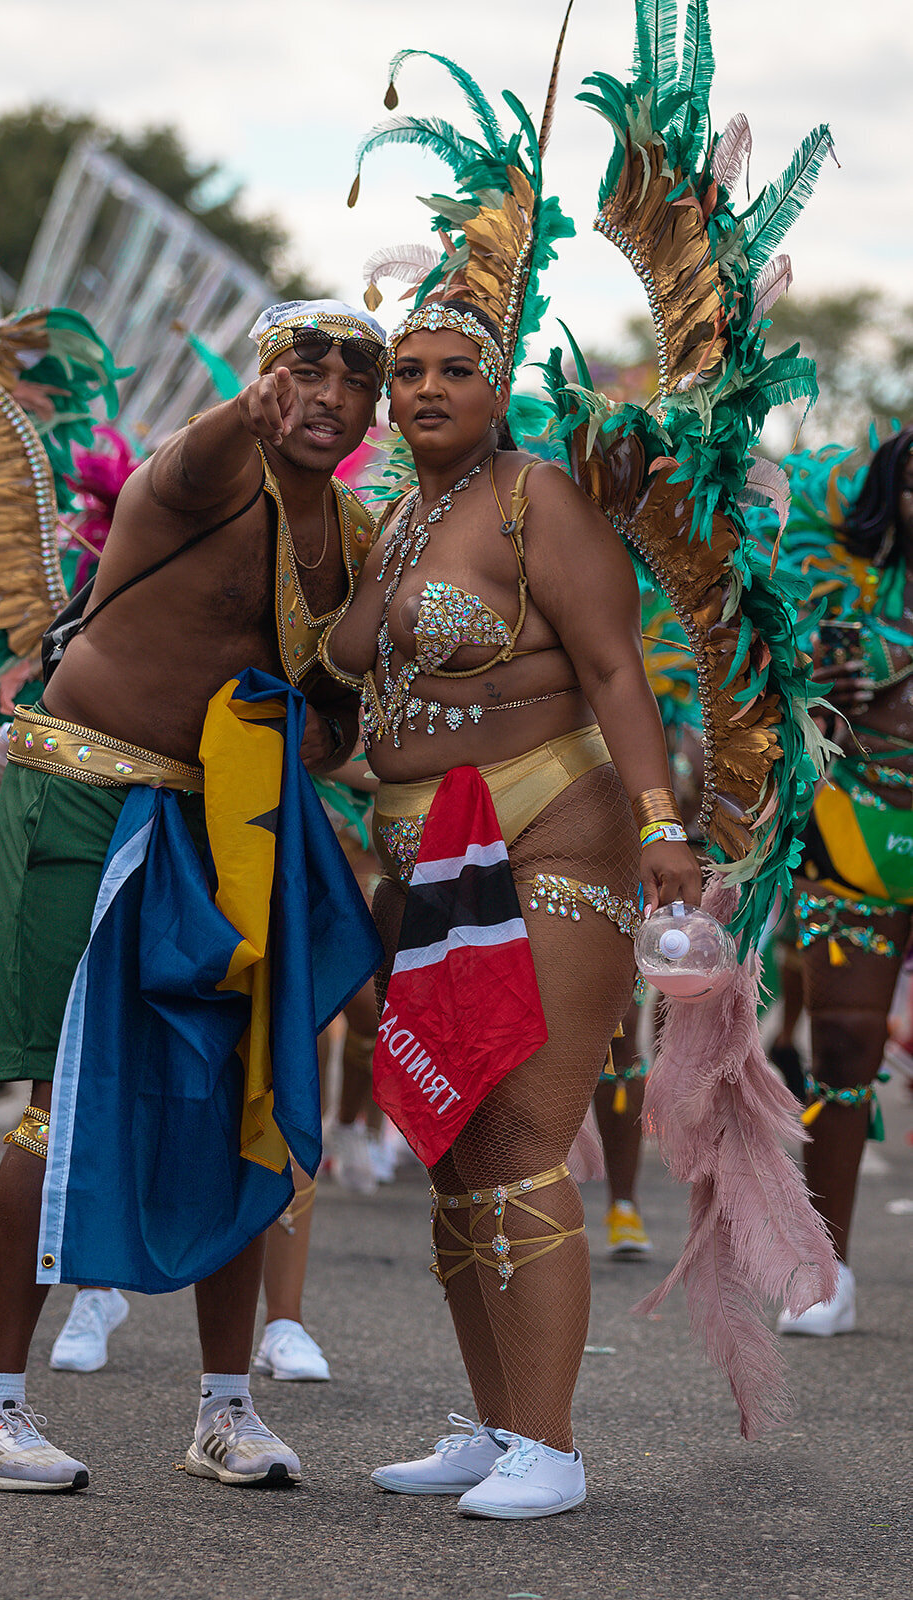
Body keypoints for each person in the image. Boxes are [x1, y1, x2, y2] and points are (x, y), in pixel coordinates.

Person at [0, 299, 386, 1492]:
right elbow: (204, 452)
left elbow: (333, 721)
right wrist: (246, 405)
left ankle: (225, 1410)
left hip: (223, 825)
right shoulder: (195, 476)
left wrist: (328, 729)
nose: (324, 393)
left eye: (353, 377)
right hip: (86, 795)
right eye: (301, 369)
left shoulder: (358, 533)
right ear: (263, 378)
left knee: (245, 1096)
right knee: (57, 1094)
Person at [323, 291, 701, 1516]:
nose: (425, 391)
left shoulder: (540, 497)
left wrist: (657, 822)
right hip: (421, 854)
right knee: (451, 1145)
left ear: (499, 391)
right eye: (409, 375)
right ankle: (494, 1427)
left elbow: (611, 667)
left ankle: (551, 1445)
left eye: (454, 373)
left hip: (549, 831)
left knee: (521, 1134)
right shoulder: (395, 518)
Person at [779, 425, 913, 1335]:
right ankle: (824, 1271)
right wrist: (815, 683)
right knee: (839, 1044)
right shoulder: (835, 588)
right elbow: (793, 702)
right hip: (856, 822)